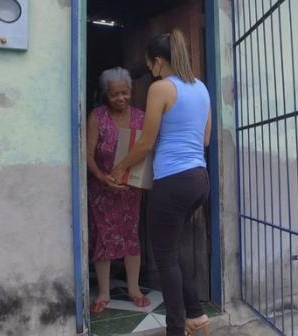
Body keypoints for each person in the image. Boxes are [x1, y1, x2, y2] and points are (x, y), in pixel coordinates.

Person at [111, 30, 212, 336]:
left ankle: (176, 329)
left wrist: (121, 167)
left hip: (172, 181)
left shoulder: (161, 88)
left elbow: (146, 142)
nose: (150, 71)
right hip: (199, 178)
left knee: (165, 257)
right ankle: (197, 316)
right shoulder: (202, 88)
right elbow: (205, 139)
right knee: (174, 249)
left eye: (149, 65)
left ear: (157, 62)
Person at [86, 67, 150, 314]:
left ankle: (134, 289)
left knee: (130, 236)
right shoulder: (97, 117)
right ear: (106, 95)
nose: (121, 98)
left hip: (130, 190)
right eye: (115, 95)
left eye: (125, 93)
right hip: (102, 191)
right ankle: (104, 292)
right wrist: (101, 177)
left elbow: (147, 151)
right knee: (103, 237)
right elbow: (88, 155)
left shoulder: (142, 117)